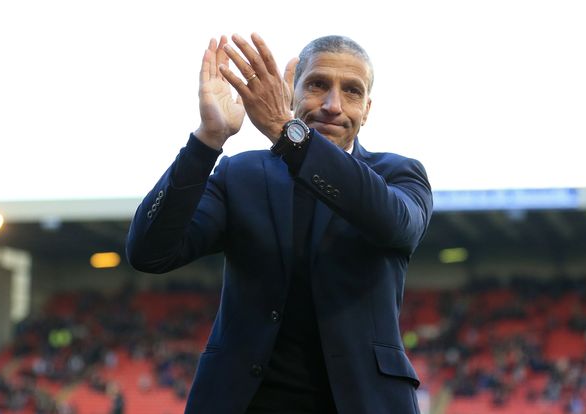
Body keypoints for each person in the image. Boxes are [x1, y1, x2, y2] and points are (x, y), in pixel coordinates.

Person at [126, 32, 433, 414]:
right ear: (292, 93)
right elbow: (149, 253)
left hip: (363, 402)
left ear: (367, 108)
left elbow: (393, 223)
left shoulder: (399, 175)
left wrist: (287, 133)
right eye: (317, 85)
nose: (332, 105)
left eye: (351, 91)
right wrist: (207, 140)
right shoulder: (242, 174)